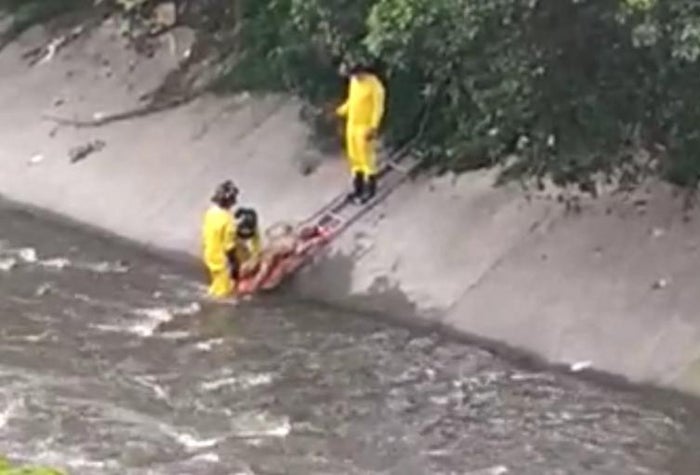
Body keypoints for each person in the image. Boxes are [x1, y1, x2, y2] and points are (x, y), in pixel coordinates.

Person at [335, 61, 386, 204]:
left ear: (362, 71)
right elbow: (352, 101)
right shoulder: (353, 81)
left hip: (365, 127)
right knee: (354, 158)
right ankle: (358, 188)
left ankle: (370, 189)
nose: (355, 77)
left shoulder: (375, 86)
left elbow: (378, 109)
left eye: (356, 74)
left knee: (366, 159)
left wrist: (373, 127)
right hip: (352, 125)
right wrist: (340, 111)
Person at [237, 222, 330, 295]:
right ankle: (316, 234)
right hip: (280, 250)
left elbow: (262, 271)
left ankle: (317, 235)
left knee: (294, 250)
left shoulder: (261, 261)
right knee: (293, 251)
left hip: (280, 250)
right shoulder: (258, 261)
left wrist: (254, 286)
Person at [201, 180, 239, 298]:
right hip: (221, 260)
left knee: (216, 284)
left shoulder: (210, 213)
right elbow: (229, 246)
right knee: (223, 295)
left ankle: (212, 293)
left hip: (209, 255)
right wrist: (235, 265)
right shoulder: (228, 220)